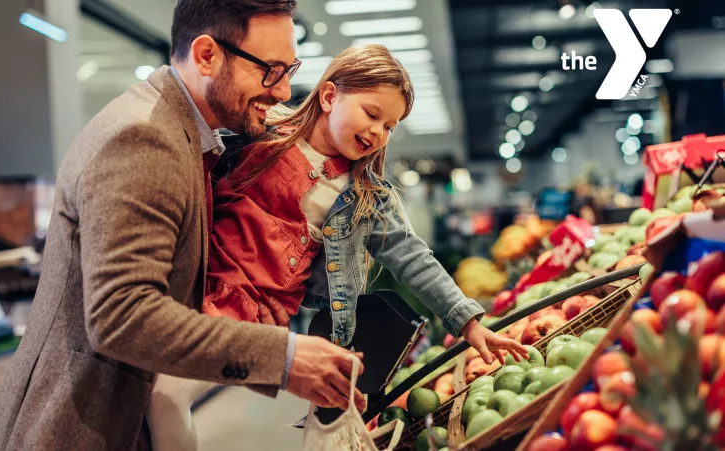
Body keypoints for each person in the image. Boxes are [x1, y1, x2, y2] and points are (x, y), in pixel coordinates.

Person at [0, 1, 366, 450]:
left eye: (289, 69)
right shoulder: (145, 138)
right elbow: (121, 316)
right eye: (270, 70)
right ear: (207, 55)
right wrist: (283, 358)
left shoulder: (186, 133)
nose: (283, 91)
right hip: (74, 431)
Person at [147, 44, 529, 451]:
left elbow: (414, 259)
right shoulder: (258, 139)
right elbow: (190, 167)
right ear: (329, 97)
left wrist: (467, 322)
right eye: (371, 114)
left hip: (250, 317)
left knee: (164, 396)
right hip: (190, 286)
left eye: (390, 126)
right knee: (150, 392)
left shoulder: (366, 197)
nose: (378, 132)